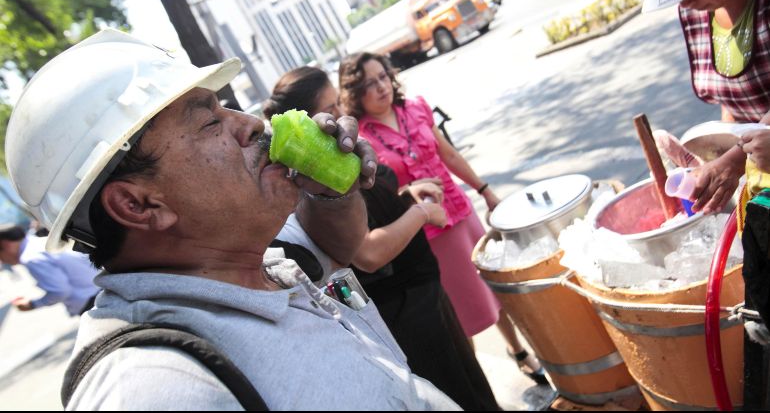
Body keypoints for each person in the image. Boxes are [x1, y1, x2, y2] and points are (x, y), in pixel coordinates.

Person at [4, 29, 459, 410]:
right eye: (209, 123)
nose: (251, 124)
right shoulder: (155, 388)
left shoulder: (252, 252)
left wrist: (334, 191)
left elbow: (341, 247)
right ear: (139, 205)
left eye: (225, 107)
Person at [264, 66, 509, 410]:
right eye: (330, 109)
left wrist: (406, 194)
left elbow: (369, 210)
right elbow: (366, 252)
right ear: (305, 120)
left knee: (474, 389)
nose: (341, 116)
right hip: (404, 310)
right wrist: (421, 214)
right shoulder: (313, 178)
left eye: (338, 105)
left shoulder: (338, 153)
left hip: (424, 291)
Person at [337, 52, 546, 383]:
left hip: (460, 214)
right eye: (368, 84)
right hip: (427, 232)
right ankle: (475, 378)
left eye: (382, 77)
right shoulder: (361, 138)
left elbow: (447, 153)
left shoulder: (415, 107)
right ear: (354, 93)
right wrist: (409, 189)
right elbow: (375, 194)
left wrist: (485, 189)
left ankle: (518, 349)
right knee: (460, 311)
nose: (380, 87)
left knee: (495, 288)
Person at [643, 0, 770, 215]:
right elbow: (733, 95)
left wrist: (736, 160)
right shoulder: (698, 10)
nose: (683, 1)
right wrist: (715, 152)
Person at [0, 224, 99, 315]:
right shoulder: (39, 241)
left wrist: (32, 304)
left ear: (5, 244)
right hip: (99, 288)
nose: (2, 261)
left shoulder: (30, 258)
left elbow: (60, 291)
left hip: (91, 302)